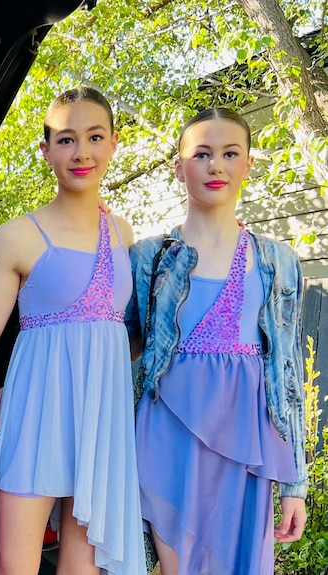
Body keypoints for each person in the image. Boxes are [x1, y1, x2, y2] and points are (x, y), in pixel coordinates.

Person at [126, 108, 308, 574]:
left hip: (246, 440)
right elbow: (118, 347)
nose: (216, 166)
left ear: (248, 164)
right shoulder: (148, 257)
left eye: (230, 153)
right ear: (178, 166)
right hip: (165, 437)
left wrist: (295, 484)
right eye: (201, 153)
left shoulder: (278, 261)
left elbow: (287, 370)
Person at [0, 87, 145, 574]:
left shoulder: (124, 233)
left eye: (94, 137)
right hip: (35, 417)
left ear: (114, 143)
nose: (82, 152)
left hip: (103, 421)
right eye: (67, 139)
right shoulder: (17, 235)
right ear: (46, 150)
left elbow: (123, 341)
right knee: (16, 568)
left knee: (82, 568)